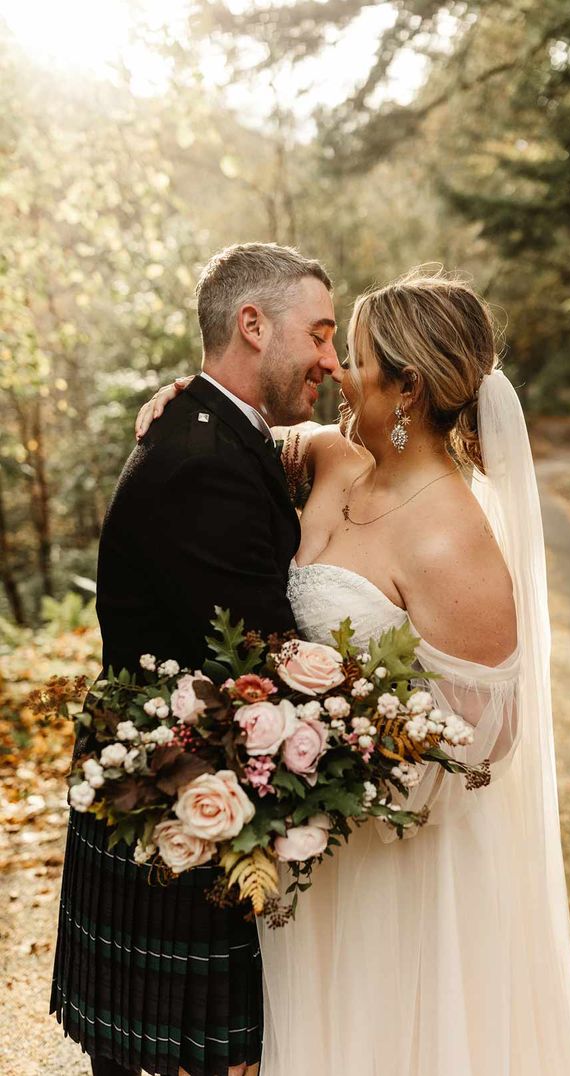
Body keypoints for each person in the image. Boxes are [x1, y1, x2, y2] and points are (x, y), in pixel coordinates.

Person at [137, 269, 570, 1075]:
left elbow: (489, 735)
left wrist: (347, 765)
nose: (339, 368)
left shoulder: (453, 536)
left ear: (407, 387)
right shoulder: (332, 458)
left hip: (395, 864)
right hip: (315, 856)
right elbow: (238, 433)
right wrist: (182, 403)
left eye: (361, 357)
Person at [52, 243, 340, 1076]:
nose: (330, 357)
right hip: (179, 801)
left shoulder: (221, 431)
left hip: (181, 783)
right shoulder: (203, 462)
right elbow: (264, 661)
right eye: (318, 334)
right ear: (252, 325)